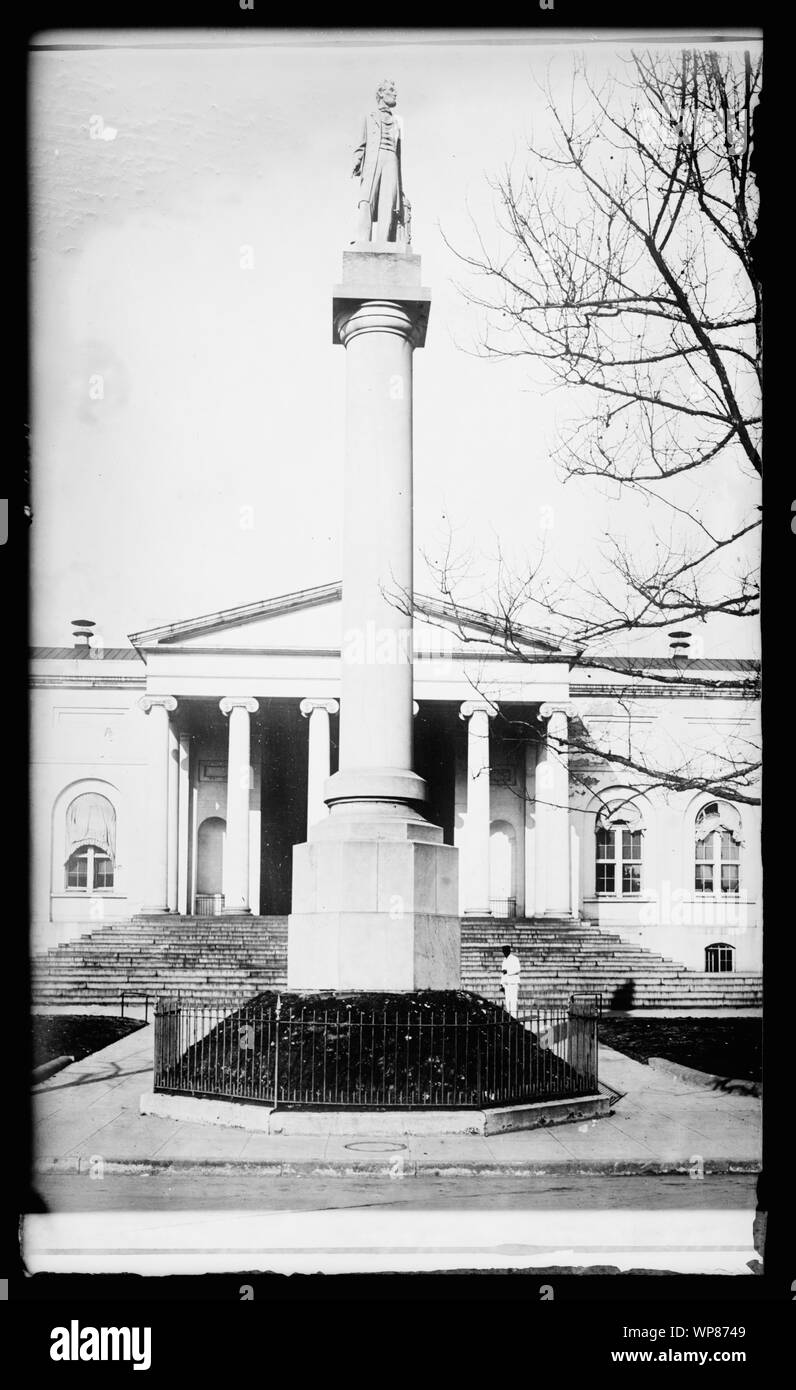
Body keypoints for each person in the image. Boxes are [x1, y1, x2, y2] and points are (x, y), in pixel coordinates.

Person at [351, 78, 407, 244]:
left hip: (391, 161)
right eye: (391, 90)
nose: (395, 93)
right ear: (381, 94)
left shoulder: (399, 122)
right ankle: (362, 241)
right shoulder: (369, 117)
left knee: (387, 203)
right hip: (372, 161)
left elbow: (399, 154)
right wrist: (357, 159)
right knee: (366, 200)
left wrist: (401, 187)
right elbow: (361, 143)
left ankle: (384, 243)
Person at [500, 944, 521, 1018]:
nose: (504, 952)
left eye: (506, 951)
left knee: (513, 1000)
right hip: (506, 983)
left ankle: (514, 1017)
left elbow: (518, 969)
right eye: (503, 951)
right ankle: (510, 1017)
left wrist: (508, 971)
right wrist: (501, 984)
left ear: (509, 951)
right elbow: (503, 973)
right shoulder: (504, 960)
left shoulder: (514, 959)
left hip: (513, 983)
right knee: (508, 1001)